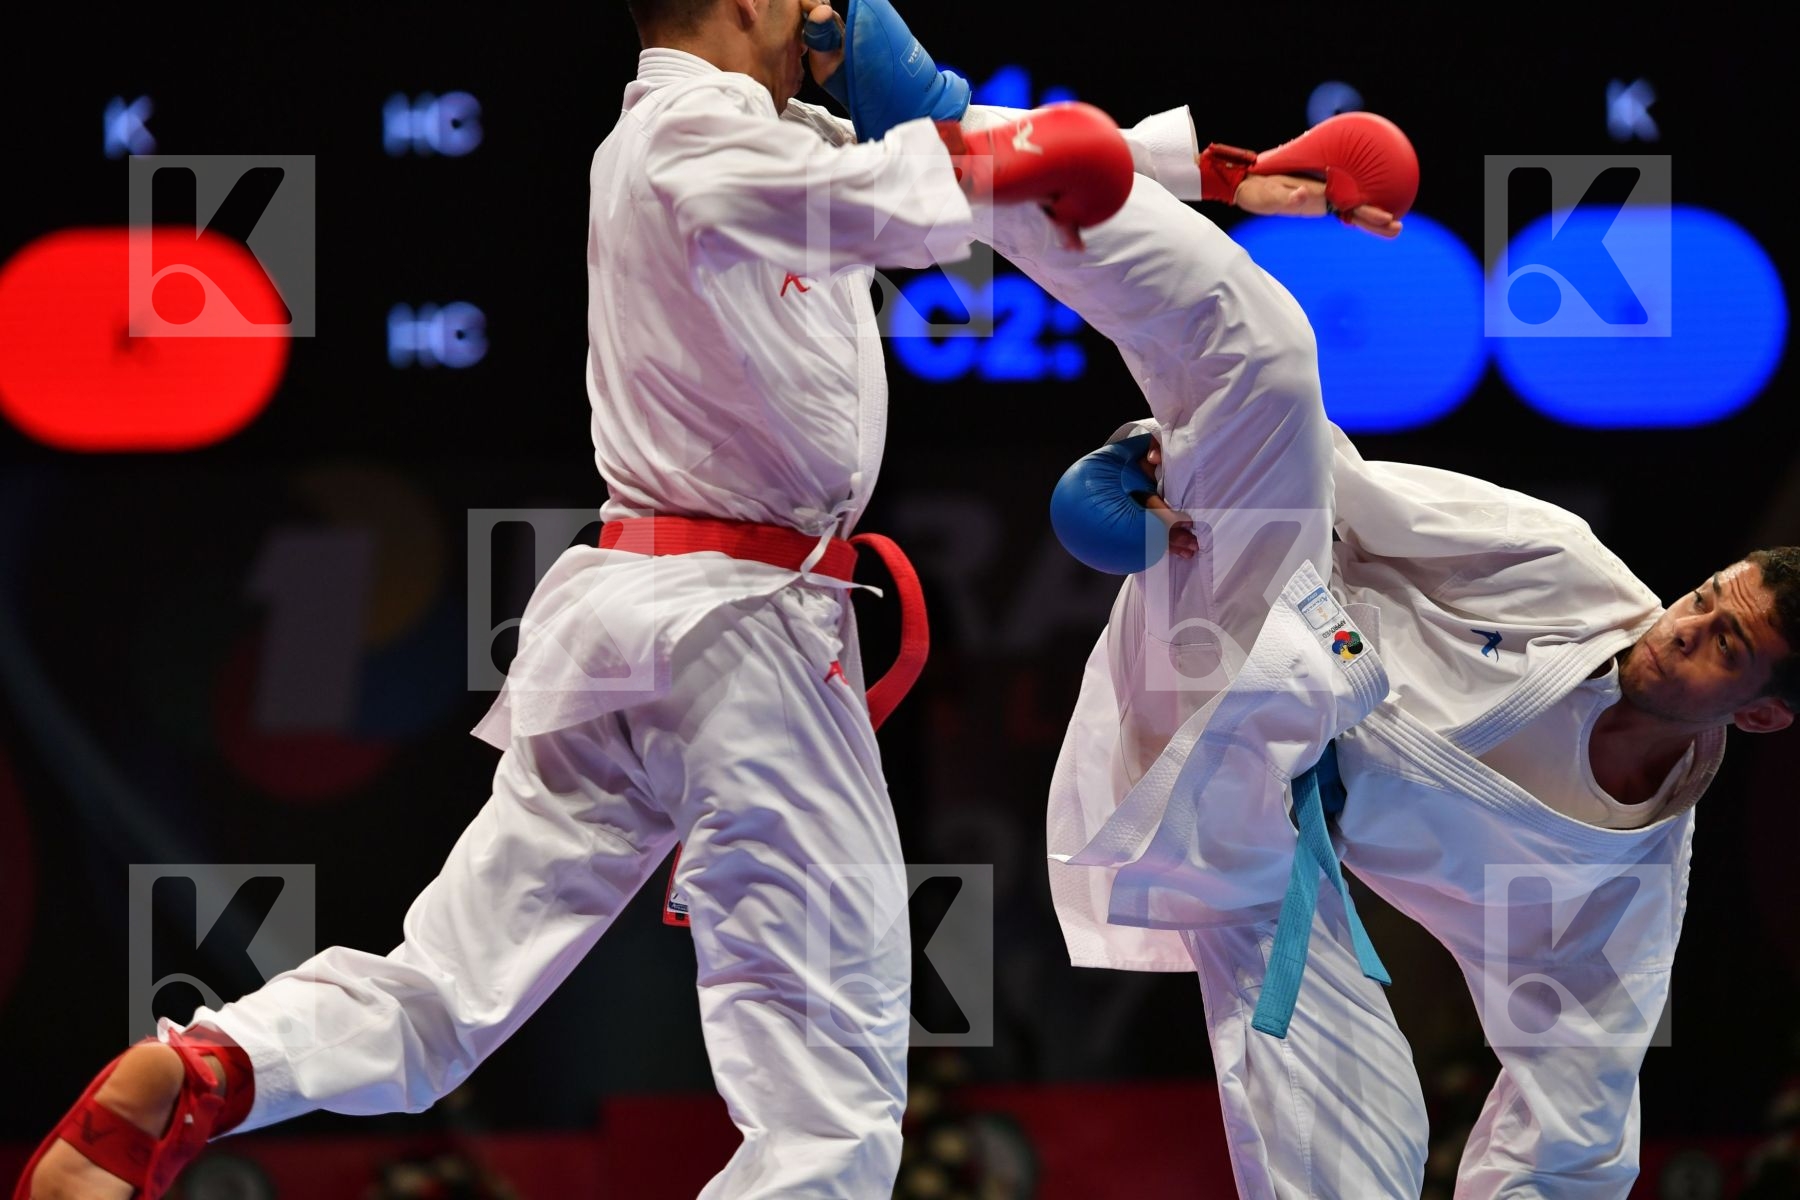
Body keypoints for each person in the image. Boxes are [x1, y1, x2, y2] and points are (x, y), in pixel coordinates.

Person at [11, 3, 1161, 1198]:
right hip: (741, 633)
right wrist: (956, 132)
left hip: (636, 626)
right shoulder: (692, 135)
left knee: (450, 988)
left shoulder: (753, 133)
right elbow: (915, 200)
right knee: (833, 1105)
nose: (828, 13)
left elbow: (987, 163)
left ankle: (209, 1070)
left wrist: (1233, 172)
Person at [1014, 110, 1798, 1198]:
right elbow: (1339, 484)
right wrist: (1157, 457)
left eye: (1725, 645)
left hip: (1259, 852)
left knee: (1359, 1173)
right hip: (1243, 640)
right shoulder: (1558, 562)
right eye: (1706, 597)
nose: (1681, 625)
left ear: (1758, 715)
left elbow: (1571, 1128)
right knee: (1274, 358)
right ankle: (1011, 167)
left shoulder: (1618, 894)